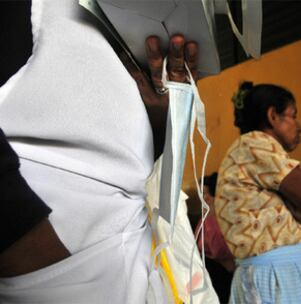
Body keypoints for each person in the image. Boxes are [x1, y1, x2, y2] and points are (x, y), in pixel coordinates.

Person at [0, 0, 198, 303]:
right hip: (54, 276)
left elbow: (100, 144)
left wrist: (155, 126)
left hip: (131, 264)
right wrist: (29, 250)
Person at [214, 81, 301, 303]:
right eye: (293, 115)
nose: (299, 126)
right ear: (272, 116)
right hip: (277, 279)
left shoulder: (265, 159)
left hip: (284, 273)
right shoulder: (254, 144)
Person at [195, 172, 234, 303]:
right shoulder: (203, 219)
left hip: (222, 274)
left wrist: (212, 213)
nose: (203, 198)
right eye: (201, 194)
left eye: (206, 194)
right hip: (204, 273)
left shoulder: (226, 218)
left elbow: (219, 251)